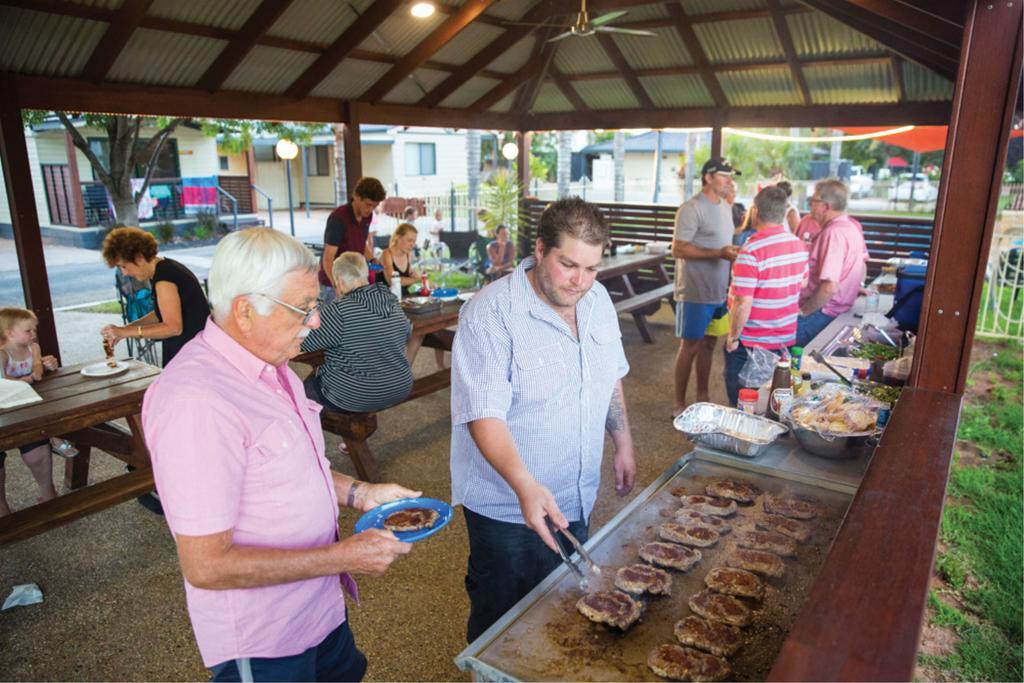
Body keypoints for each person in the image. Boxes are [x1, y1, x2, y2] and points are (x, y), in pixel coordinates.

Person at [142, 228, 417, 682]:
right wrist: (344, 557)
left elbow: (293, 468)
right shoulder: (196, 401)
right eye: (304, 309)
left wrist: (360, 493)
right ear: (245, 311)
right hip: (266, 633)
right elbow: (208, 565)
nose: (314, 323)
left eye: (316, 305)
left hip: (319, 607)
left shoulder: (272, 364)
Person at [450, 197, 636, 644]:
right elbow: (483, 415)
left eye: (591, 268)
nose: (580, 281)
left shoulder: (599, 299)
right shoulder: (491, 314)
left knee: (563, 609)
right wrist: (524, 484)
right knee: (501, 622)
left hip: (576, 492)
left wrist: (623, 441)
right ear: (539, 249)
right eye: (568, 264)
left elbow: (610, 372)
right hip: (507, 509)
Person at [723, 187, 809, 405]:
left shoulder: (751, 250)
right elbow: (803, 283)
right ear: (782, 214)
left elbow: (743, 302)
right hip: (785, 338)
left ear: (756, 212)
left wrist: (733, 337)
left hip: (751, 341)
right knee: (774, 399)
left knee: (744, 402)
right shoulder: (798, 245)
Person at [301, 252, 413, 415]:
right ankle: (348, 440)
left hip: (357, 395)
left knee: (297, 398)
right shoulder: (391, 300)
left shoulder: (340, 311)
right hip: (400, 386)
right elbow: (407, 333)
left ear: (339, 281)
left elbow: (303, 342)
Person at [671, 158, 741, 415]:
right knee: (690, 345)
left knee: (710, 344)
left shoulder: (725, 206)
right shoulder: (691, 208)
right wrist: (718, 253)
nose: (729, 181)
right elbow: (678, 248)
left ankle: (703, 395)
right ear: (708, 178)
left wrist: (729, 252)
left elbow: (723, 242)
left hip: (719, 291)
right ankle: (679, 403)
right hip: (695, 291)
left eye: (731, 176)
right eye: (724, 176)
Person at [100, 226, 210, 367]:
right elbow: (161, 314)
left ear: (139, 258)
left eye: (124, 266)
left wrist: (126, 332)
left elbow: (173, 327)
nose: (124, 273)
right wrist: (124, 330)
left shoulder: (164, 279)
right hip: (193, 350)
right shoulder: (165, 268)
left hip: (191, 356)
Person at [0, 307, 63, 516]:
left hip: (29, 407)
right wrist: (20, 381)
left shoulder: (32, 347)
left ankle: (47, 490)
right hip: (5, 409)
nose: (33, 334)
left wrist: (45, 366)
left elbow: (37, 369)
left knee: (36, 446)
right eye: (28, 330)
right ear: (9, 333)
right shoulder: (2, 353)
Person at [796, 179, 869, 347]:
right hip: (834, 311)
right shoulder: (850, 227)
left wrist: (803, 312)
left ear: (826, 206)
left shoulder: (833, 234)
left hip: (821, 313)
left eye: (813, 201)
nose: (810, 206)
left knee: (790, 363)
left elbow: (830, 286)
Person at [320, 177, 386, 303]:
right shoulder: (338, 218)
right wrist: (336, 285)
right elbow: (328, 258)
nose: (370, 210)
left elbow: (361, 244)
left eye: (375, 206)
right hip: (333, 282)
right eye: (368, 204)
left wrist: (372, 259)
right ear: (356, 196)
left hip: (354, 281)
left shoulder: (367, 216)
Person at [380, 223, 422, 297]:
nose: (412, 244)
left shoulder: (408, 254)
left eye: (414, 241)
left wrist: (425, 281)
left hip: (403, 298)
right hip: (386, 300)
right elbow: (392, 281)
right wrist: (418, 280)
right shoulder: (387, 254)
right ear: (398, 238)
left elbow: (411, 272)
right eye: (409, 240)